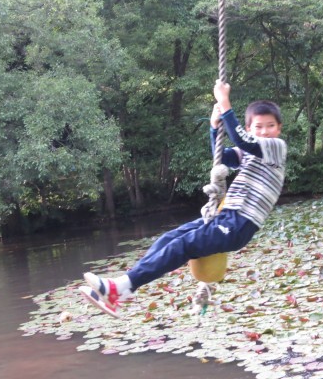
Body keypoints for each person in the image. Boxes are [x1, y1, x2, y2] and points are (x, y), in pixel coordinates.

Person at [80, 80, 287, 317]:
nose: (264, 131)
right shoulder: (250, 153)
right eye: (258, 127)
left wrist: (224, 101)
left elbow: (242, 140)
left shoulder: (276, 147)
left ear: (279, 129)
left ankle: (120, 288)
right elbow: (220, 156)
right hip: (225, 216)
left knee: (183, 245)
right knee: (169, 238)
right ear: (249, 128)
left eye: (270, 126)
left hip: (240, 223)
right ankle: (123, 290)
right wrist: (214, 128)